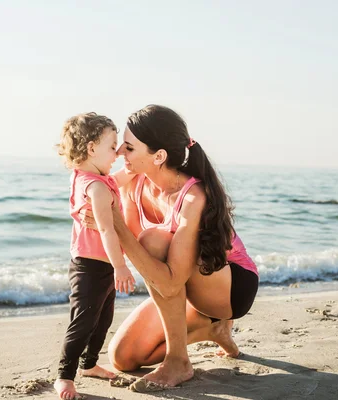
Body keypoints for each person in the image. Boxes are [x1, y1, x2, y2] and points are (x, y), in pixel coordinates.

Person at [82, 105, 259, 390]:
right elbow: (94, 191)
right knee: (123, 358)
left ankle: (179, 362)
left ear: (159, 156)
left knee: (152, 239)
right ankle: (212, 329)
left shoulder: (193, 197)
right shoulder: (133, 183)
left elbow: (169, 279)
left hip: (229, 286)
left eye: (129, 148)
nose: (119, 154)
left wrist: (115, 221)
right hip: (182, 287)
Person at [54, 112, 136, 400]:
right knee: (84, 322)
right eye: (112, 146)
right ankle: (65, 376)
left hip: (101, 266)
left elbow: (129, 173)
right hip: (90, 267)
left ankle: (89, 365)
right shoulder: (97, 187)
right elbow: (107, 231)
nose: (116, 153)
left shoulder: (93, 177)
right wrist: (121, 267)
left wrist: (129, 151)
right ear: (91, 149)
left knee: (104, 319)